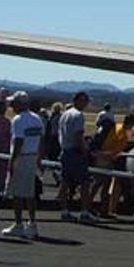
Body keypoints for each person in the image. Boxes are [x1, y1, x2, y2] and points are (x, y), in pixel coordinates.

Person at [2, 92, 44, 239]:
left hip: (22, 157)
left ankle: (19, 224)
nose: (11, 106)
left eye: (13, 103)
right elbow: (41, 140)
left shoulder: (18, 120)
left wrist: (12, 162)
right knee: (30, 193)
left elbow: (19, 141)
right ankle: (32, 223)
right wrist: (40, 158)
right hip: (33, 157)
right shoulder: (37, 118)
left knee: (17, 193)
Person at [57, 91, 95, 222]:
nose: (86, 103)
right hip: (75, 152)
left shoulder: (65, 114)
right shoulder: (78, 115)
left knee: (65, 182)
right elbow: (78, 136)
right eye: (84, 101)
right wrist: (85, 150)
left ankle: (64, 210)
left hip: (65, 150)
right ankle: (84, 212)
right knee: (85, 183)